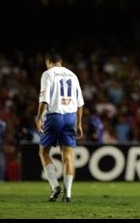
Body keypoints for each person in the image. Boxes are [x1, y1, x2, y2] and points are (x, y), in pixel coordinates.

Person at [36, 49, 84, 203]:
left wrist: (39, 118)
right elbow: (80, 103)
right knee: (68, 156)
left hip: (54, 115)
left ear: (47, 62)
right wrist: (79, 123)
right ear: (61, 62)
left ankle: (55, 186)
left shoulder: (48, 74)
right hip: (71, 117)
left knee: (44, 152)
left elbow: (44, 99)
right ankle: (68, 194)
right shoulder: (73, 75)